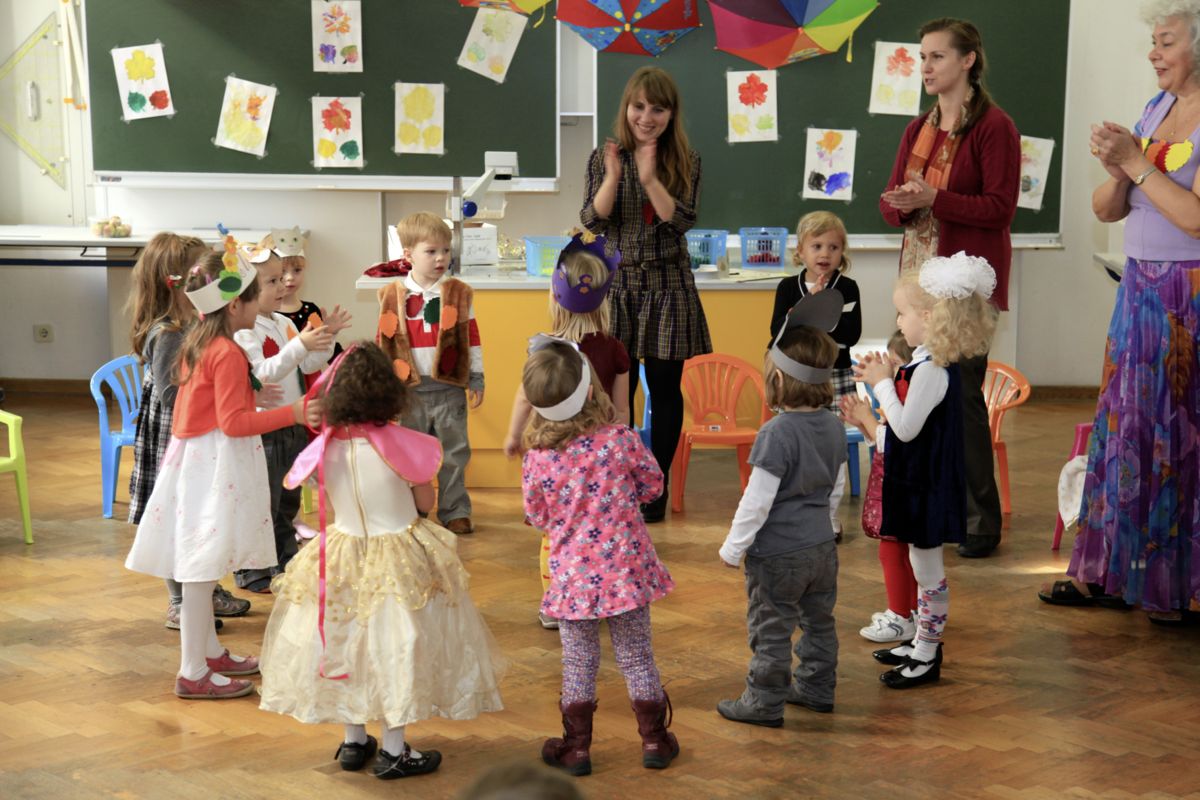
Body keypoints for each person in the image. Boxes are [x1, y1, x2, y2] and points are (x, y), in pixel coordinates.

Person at [258, 343, 504, 780]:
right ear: (389, 392)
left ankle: (354, 741)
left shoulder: (325, 448)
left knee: (345, 642)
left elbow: (331, 497)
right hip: (398, 560)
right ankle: (393, 751)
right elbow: (424, 503)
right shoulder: (405, 445)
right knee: (395, 647)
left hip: (343, 554)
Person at [1040, 1, 1200, 624]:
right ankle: (1113, 573)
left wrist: (1137, 163)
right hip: (1139, 289)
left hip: (1187, 295)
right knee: (1128, 428)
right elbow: (1107, 208)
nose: (1154, 53)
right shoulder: (1156, 110)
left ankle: (1179, 585)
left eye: (1166, 41)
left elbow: (1195, 219)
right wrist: (1118, 169)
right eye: (1153, 42)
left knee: (1180, 433)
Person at [124, 242, 312, 699]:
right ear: (234, 305)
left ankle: (208, 652)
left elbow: (208, 405)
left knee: (202, 569)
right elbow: (234, 423)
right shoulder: (226, 351)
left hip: (201, 461)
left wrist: (251, 395)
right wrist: (293, 413)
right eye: (255, 295)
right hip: (214, 466)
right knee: (200, 570)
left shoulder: (201, 340)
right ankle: (192, 671)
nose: (262, 302)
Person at [879, 17, 1019, 559]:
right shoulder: (918, 128)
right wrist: (901, 204)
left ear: (968, 60)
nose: (926, 66)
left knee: (960, 399)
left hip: (964, 288)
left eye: (937, 56)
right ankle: (927, 507)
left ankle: (981, 522)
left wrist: (934, 199)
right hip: (918, 283)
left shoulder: (994, 127)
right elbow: (891, 204)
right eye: (922, 57)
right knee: (916, 393)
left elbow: (999, 208)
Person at [521, 340, 678, 776]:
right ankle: (654, 741)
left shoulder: (538, 459)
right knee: (637, 656)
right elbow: (654, 487)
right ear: (591, 391)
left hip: (572, 579)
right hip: (626, 573)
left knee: (578, 662)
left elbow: (537, 516)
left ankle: (576, 749)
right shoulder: (620, 440)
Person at [856, 253, 997, 689]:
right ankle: (919, 642)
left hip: (927, 487)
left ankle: (927, 653)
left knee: (929, 572)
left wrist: (881, 383)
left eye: (903, 313)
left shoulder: (932, 370)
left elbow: (904, 429)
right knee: (922, 568)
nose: (898, 321)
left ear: (930, 317)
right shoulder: (923, 362)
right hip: (916, 482)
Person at [581, 65, 712, 524]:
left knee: (664, 386)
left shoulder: (686, 159)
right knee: (619, 385)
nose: (646, 117)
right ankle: (620, 476)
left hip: (668, 285)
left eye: (658, 109)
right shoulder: (604, 156)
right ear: (627, 108)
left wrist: (651, 177)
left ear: (671, 114)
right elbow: (593, 220)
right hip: (618, 284)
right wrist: (614, 176)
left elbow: (681, 221)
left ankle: (655, 485)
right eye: (639, 107)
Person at [717, 291, 847, 727]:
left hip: (778, 556)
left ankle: (764, 702)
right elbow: (835, 487)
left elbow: (757, 501)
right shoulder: (834, 426)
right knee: (819, 622)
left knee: (771, 627)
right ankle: (816, 688)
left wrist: (733, 547)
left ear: (776, 381)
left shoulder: (776, 433)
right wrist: (829, 527)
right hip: (821, 549)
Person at [502, 233, 631, 631]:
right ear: (604, 300)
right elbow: (622, 411)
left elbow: (524, 398)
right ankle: (602, 599)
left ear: (555, 298)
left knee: (556, 535)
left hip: (554, 460)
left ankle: (556, 605)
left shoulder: (544, 350)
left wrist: (513, 436)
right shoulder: (615, 349)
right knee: (601, 533)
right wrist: (621, 452)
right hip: (599, 463)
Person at [126, 232, 251, 629]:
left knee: (200, 516)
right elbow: (170, 395)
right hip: (175, 437)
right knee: (179, 518)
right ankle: (180, 601)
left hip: (194, 433)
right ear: (179, 283)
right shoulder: (168, 333)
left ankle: (204, 591)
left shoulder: (196, 325)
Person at [233, 242, 350, 592]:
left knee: (286, 502)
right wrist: (299, 345)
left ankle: (284, 563)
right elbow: (262, 373)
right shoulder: (245, 330)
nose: (283, 284)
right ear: (247, 290)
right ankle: (252, 570)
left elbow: (307, 364)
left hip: (292, 424)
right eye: (271, 281)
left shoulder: (283, 322)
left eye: (283, 276)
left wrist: (326, 338)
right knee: (263, 504)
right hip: (265, 428)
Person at [376, 212, 483, 535]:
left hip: (449, 389)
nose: (441, 258)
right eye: (431, 251)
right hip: (408, 393)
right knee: (410, 455)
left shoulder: (459, 293)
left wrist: (476, 376)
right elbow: (383, 341)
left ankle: (455, 510)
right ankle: (413, 510)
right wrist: (382, 388)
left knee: (454, 454)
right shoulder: (391, 295)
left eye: (446, 251)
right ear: (408, 255)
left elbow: (472, 338)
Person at [769, 211, 862, 540]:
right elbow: (778, 334)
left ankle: (829, 518)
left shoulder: (847, 288)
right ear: (800, 251)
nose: (825, 254)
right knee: (794, 447)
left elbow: (851, 334)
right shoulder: (787, 287)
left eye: (833, 247)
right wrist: (809, 309)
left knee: (833, 448)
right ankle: (793, 515)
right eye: (817, 246)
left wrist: (814, 315)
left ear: (842, 252)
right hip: (795, 378)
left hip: (835, 376)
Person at [842, 331, 921, 644]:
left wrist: (867, 418)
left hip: (905, 490)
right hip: (901, 487)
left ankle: (900, 616)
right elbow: (883, 440)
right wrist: (864, 424)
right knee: (903, 554)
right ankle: (911, 611)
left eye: (896, 364)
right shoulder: (902, 394)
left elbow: (896, 443)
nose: (889, 371)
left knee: (892, 552)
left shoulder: (912, 393)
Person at [273, 226, 344, 375]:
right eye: (282, 271)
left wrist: (348, 364)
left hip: (309, 380)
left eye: (297, 270)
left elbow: (325, 349)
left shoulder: (311, 311)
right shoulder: (266, 315)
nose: (290, 277)